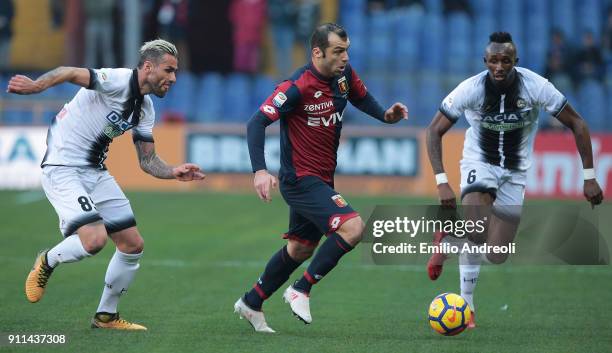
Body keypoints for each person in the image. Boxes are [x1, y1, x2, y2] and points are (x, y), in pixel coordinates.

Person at [7, 39, 205, 330]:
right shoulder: (117, 80)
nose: (173, 78)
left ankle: (106, 317)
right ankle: (47, 261)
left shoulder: (145, 108)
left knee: (132, 244)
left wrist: (174, 171)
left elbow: (147, 161)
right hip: (63, 167)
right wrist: (36, 86)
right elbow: (68, 71)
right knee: (94, 240)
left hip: (94, 172)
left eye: (175, 72)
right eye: (169, 70)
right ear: (148, 67)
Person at [233, 23, 408, 333]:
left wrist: (386, 116)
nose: (344, 57)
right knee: (353, 228)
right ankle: (301, 288)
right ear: (317, 52)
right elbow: (256, 123)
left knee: (300, 249)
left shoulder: (344, 76)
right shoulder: (296, 86)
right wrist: (260, 170)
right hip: (300, 180)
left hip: (322, 180)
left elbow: (362, 98)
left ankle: (251, 302)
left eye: (346, 50)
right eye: (338, 51)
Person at [425, 32, 604, 328]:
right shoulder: (471, 89)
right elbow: (434, 130)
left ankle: (448, 244)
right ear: (485, 61)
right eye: (493, 60)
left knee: (497, 254)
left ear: (515, 62)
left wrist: (589, 177)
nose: (499, 66)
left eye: (505, 60)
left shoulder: (536, 86)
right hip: (479, 163)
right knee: (477, 229)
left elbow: (577, 123)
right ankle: (466, 306)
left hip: (515, 173)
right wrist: (442, 180)